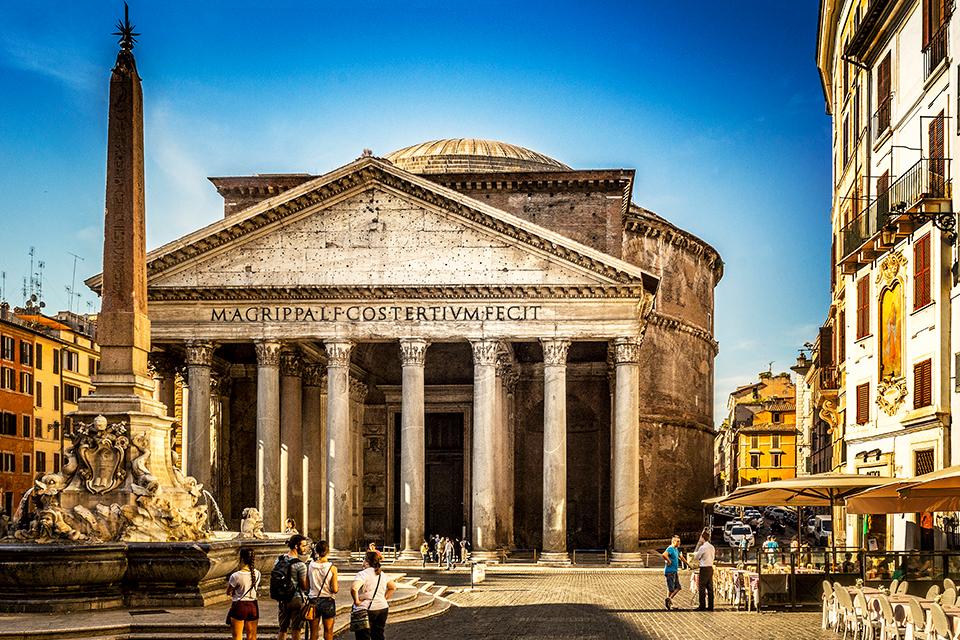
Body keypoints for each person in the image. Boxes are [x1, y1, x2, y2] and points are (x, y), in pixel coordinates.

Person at [351, 550, 397, 640]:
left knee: (363, 637)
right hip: (382, 608)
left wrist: (356, 601)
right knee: (378, 636)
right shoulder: (382, 574)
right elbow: (393, 587)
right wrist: (384, 598)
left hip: (367, 609)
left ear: (366, 561)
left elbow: (354, 588)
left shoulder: (363, 574)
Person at [274, 534, 310, 640]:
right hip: (296, 599)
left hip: (282, 599)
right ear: (296, 546)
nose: (305, 548)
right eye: (303, 546)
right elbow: (304, 586)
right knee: (296, 629)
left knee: (282, 629)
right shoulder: (300, 565)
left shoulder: (279, 560)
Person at [306, 540, 338, 640]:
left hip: (313, 601)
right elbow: (335, 589)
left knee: (314, 633)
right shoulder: (332, 568)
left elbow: (307, 585)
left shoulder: (310, 566)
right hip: (328, 601)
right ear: (328, 552)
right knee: (328, 632)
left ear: (317, 551)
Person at [226, 547, 261, 640]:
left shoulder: (236, 575)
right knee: (252, 636)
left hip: (239, 606)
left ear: (241, 559)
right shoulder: (257, 573)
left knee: (237, 636)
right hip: (253, 605)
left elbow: (228, 592)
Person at [661, 535, 689, 610]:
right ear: (673, 541)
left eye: (679, 541)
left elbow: (681, 557)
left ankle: (669, 600)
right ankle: (669, 601)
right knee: (671, 589)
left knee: (678, 587)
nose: (679, 543)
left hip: (674, 571)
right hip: (669, 571)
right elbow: (664, 555)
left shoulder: (676, 549)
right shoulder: (670, 548)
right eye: (677, 541)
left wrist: (688, 564)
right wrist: (669, 561)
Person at [693, 529, 715, 612]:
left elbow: (696, 557)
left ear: (702, 538)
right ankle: (711, 606)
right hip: (710, 567)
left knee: (701, 587)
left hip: (704, 568)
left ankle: (702, 605)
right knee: (710, 588)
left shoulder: (703, 547)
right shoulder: (712, 547)